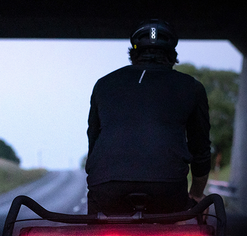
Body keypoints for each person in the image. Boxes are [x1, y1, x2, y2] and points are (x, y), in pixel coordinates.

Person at [85, 19, 211, 215]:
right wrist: (196, 194)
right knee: (179, 225)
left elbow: (93, 141)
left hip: (107, 188)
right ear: (172, 55)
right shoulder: (191, 87)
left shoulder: (103, 84)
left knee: (101, 223)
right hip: (167, 188)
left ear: (133, 54)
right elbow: (200, 149)